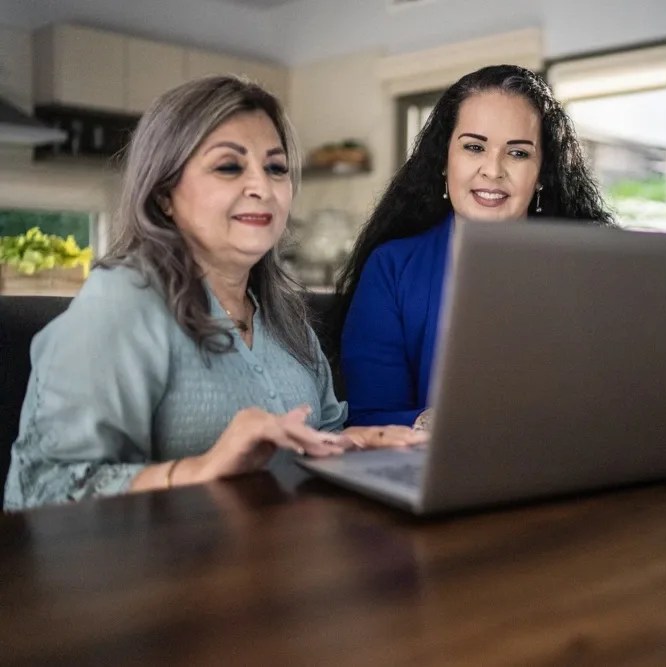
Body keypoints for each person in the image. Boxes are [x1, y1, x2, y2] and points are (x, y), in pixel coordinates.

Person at [4, 75, 425, 512]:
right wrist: (203, 470)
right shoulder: (123, 300)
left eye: (276, 168)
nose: (262, 188)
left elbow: (322, 435)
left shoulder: (285, 314)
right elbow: (42, 492)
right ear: (165, 193)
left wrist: (353, 444)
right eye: (229, 166)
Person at [337, 64, 616, 428]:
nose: (493, 169)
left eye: (518, 153)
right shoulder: (391, 268)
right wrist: (444, 424)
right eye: (474, 147)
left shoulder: (589, 270)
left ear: (542, 172)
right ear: (444, 159)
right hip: (430, 474)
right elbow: (370, 416)